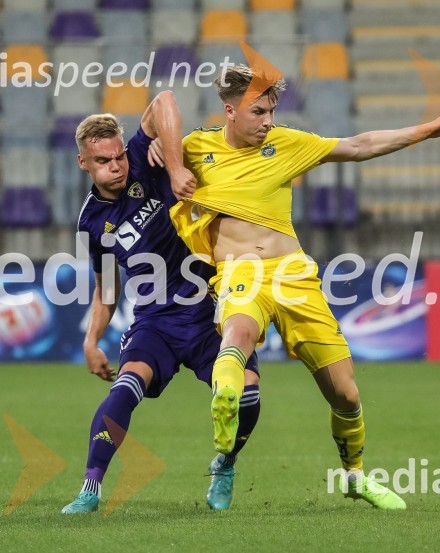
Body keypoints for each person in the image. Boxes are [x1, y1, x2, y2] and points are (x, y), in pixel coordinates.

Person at [149, 64, 440, 510]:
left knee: (345, 393)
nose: (267, 121)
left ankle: (355, 477)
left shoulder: (286, 143)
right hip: (240, 272)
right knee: (236, 337)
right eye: (258, 112)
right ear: (230, 110)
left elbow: (359, 145)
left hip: (294, 275)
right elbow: (157, 116)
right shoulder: (193, 149)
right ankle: (225, 439)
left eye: (272, 111)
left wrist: (427, 130)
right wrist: (169, 164)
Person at [61, 91, 261, 514]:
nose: (115, 166)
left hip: (211, 308)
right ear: (83, 163)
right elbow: (108, 286)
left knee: (247, 394)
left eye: (117, 157)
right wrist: (91, 341)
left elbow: (166, 100)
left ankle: (224, 464)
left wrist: (172, 168)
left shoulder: (144, 160)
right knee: (127, 383)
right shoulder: (90, 223)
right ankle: (90, 489)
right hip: (157, 320)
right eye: (102, 161)